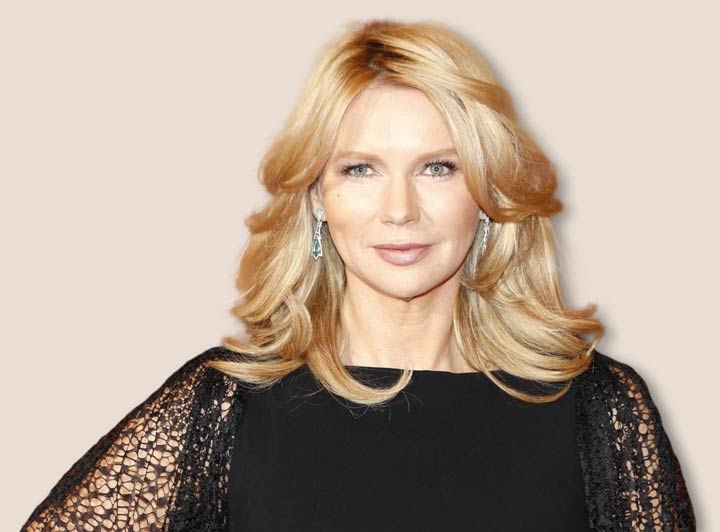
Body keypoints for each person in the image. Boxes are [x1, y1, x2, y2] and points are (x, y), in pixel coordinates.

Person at [20, 18, 695, 532]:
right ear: (318, 196)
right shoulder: (228, 406)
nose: (399, 210)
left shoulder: (600, 409)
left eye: (438, 168)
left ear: (488, 193)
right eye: (360, 169)